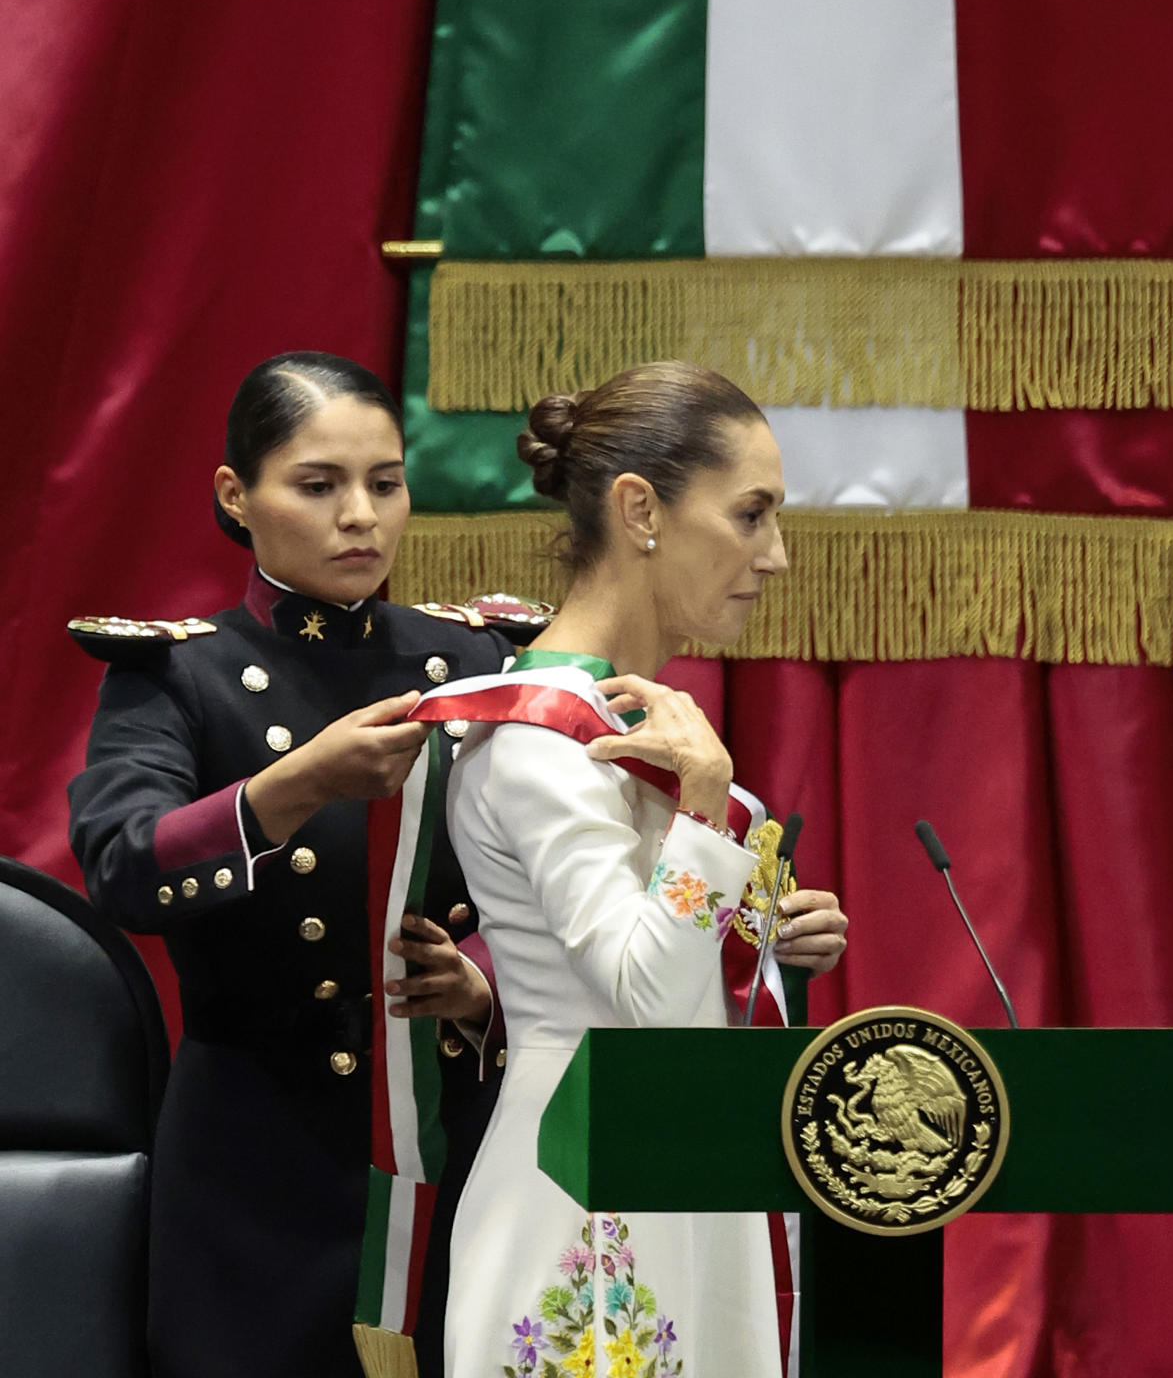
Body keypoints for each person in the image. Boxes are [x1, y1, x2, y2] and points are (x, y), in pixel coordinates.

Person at [67, 352, 515, 1378]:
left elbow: (537, 882)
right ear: (238, 496)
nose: (360, 515)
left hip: (445, 1142)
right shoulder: (179, 675)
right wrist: (296, 784)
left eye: (386, 482)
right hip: (253, 1159)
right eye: (318, 485)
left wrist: (480, 981)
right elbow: (123, 870)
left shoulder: (478, 663)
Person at [435, 362, 848, 1378]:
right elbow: (649, 1007)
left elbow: (691, 989)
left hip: (681, 1176)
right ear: (640, 509)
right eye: (750, 515)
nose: (775, 555)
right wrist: (705, 814)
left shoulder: (630, 729)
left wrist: (774, 946)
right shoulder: (538, 742)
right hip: (582, 1193)